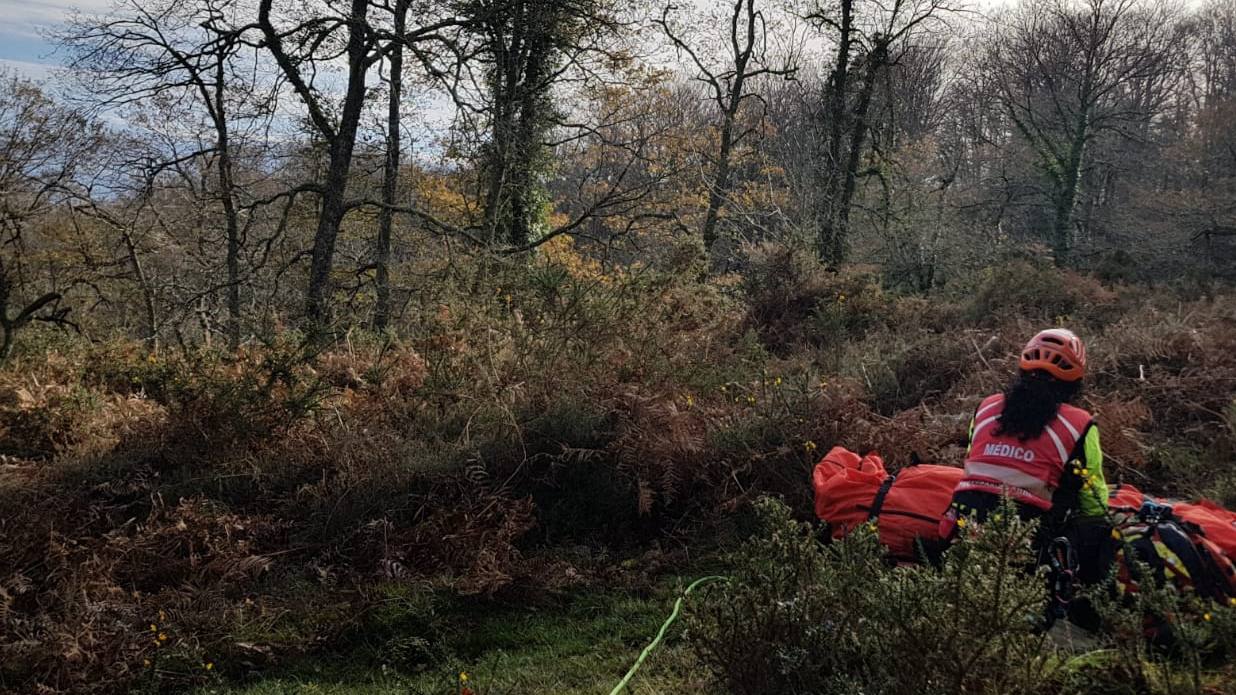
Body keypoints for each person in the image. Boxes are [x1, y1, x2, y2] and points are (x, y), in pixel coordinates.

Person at [939, 328, 1108, 539]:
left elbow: (971, 458)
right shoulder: (1080, 425)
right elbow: (1094, 501)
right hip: (1029, 539)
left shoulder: (986, 407)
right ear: (1074, 383)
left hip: (962, 526)